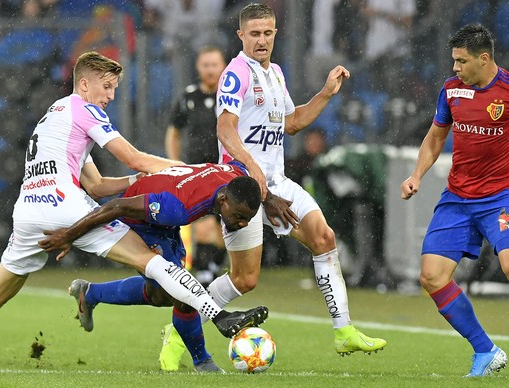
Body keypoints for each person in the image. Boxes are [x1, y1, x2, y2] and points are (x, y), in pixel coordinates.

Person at [0, 51, 268, 368]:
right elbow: (134, 156)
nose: (110, 96)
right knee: (153, 263)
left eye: (114, 88)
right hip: (66, 207)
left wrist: (135, 177)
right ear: (85, 84)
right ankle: (219, 316)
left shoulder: (54, 119)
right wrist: (179, 169)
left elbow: (97, 186)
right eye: (106, 87)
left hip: (29, 214)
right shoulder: (85, 110)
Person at [157, 3, 387, 367]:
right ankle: (178, 331)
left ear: (275, 33)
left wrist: (326, 93)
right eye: (254, 34)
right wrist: (254, 175)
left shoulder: (276, 73)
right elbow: (225, 129)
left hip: (276, 180)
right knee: (244, 279)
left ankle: (344, 331)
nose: (261, 40)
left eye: (267, 33)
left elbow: (291, 123)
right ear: (241, 35)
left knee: (324, 240)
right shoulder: (236, 73)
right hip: (241, 190)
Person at [39, 161, 267, 372]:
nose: (243, 224)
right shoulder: (177, 207)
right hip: (141, 222)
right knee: (180, 294)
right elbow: (118, 206)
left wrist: (272, 199)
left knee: (160, 295)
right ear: (224, 199)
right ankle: (202, 360)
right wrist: (68, 236)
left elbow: (242, 166)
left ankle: (90, 294)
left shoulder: (235, 174)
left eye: (248, 218)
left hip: (164, 220)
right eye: (238, 216)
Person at [400, 24, 508, 377]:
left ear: (484, 58)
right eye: (454, 61)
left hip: (501, 197)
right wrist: (416, 175)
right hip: (458, 199)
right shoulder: (451, 90)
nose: (455, 68)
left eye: (461, 61)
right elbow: (434, 138)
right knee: (431, 276)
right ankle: (486, 351)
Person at [165, 46, 227, 287]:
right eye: (206, 65)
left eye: (214, 65)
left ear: (223, 67)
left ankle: (210, 268)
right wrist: (174, 163)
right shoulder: (188, 97)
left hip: (227, 171)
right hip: (199, 172)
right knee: (203, 226)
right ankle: (204, 276)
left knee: (225, 232)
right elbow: (174, 132)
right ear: (198, 68)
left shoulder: (231, 97)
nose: (210, 70)